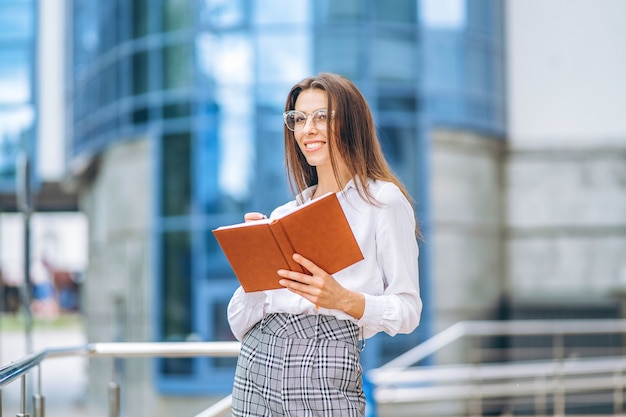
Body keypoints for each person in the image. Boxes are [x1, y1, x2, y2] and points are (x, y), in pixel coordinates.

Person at [227, 72, 422, 417]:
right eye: (299, 119)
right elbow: (239, 323)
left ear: (351, 123)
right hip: (257, 360)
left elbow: (408, 310)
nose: (308, 129)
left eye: (322, 116)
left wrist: (344, 299)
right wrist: (253, 264)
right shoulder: (285, 213)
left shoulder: (382, 201)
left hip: (326, 358)